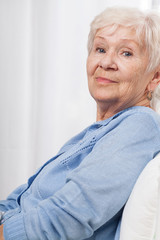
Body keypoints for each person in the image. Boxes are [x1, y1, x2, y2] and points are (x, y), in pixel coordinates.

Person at [1, 6, 160, 240]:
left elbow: (69, 216)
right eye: (100, 48)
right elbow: (22, 197)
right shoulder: (101, 132)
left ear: (155, 76)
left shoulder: (140, 125)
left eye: (126, 53)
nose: (106, 62)